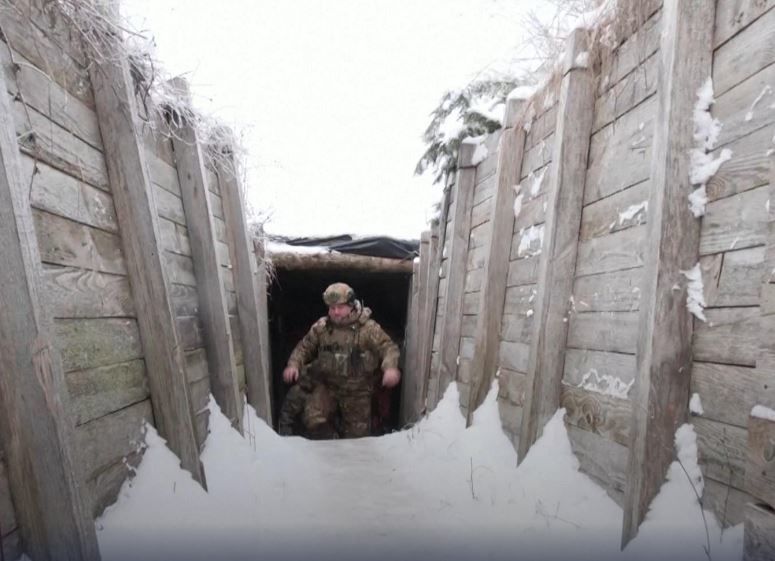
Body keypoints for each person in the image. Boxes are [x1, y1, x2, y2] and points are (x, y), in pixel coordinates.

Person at [282, 282, 401, 438]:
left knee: (358, 440)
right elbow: (304, 347)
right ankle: (332, 443)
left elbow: (388, 347)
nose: (336, 312)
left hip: (357, 392)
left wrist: (390, 368)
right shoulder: (322, 328)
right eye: (332, 308)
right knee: (312, 417)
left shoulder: (368, 329)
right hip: (329, 386)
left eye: (340, 307)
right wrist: (293, 365)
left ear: (351, 306)